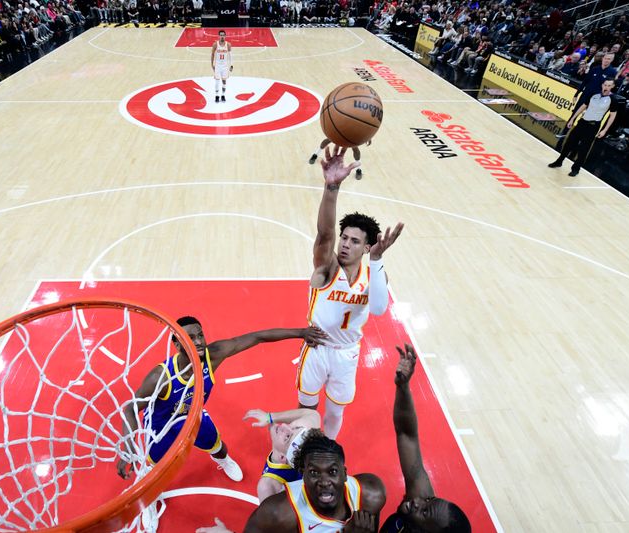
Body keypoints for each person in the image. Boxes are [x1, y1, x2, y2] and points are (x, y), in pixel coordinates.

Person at [117, 316, 328, 482]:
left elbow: (257, 337)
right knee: (154, 469)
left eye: (200, 335)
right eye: (191, 337)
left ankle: (224, 461)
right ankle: (151, 501)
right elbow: (130, 409)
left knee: (219, 447)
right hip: (161, 425)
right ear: (176, 343)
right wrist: (128, 446)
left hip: (192, 416)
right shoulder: (160, 377)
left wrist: (301, 332)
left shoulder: (212, 355)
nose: (199, 341)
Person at [298, 146, 403, 440]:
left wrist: (379, 260)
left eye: (354, 241)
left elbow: (380, 309)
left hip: (347, 354)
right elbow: (325, 234)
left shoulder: (373, 275)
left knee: (334, 413)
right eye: (344, 238)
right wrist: (332, 187)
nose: (345, 244)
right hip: (317, 348)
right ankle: (302, 451)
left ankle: (327, 448)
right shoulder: (327, 268)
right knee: (307, 410)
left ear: (367, 247)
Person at [197, 430, 386, 532]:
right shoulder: (277, 513)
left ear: (344, 473)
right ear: (302, 474)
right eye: (314, 472)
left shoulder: (371, 494)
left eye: (333, 471)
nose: (324, 481)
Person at [380, 345, 471, 533]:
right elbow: (407, 435)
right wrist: (403, 387)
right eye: (428, 500)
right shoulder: (418, 501)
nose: (417, 500)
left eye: (423, 512)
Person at [243, 407, 321, 502]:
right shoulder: (306, 444)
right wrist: (269, 417)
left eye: (287, 437)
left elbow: (270, 516)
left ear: (282, 457)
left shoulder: (267, 486)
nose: (284, 425)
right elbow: (313, 414)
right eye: (295, 427)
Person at [548, 79, 619, 177]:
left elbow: (612, 116)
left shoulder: (613, 99)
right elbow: (583, 106)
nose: (606, 87)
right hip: (582, 122)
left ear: (612, 86)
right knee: (569, 143)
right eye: (605, 85)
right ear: (602, 85)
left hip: (593, 126)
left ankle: (576, 169)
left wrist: (604, 130)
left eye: (609, 85)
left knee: (583, 149)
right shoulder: (594, 94)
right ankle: (559, 161)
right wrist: (573, 118)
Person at [557, 52, 617, 146]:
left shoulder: (612, 72)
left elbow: (611, 87)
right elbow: (585, 82)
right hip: (585, 95)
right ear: (603, 58)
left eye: (609, 59)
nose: (607, 60)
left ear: (612, 60)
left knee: (588, 120)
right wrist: (577, 94)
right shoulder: (595, 69)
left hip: (597, 100)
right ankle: (564, 133)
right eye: (606, 58)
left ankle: (580, 139)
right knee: (575, 113)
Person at [211, 30, 233, 103]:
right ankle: (217, 96)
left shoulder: (228, 45)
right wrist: (212, 64)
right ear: (219, 36)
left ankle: (223, 95)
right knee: (217, 82)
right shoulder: (215, 44)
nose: (222, 36)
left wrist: (231, 65)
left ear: (225, 36)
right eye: (221, 35)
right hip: (217, 66)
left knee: (224, 81)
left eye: (223, 35)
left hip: (225, 66)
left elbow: (230, 56)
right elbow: (212, 55)